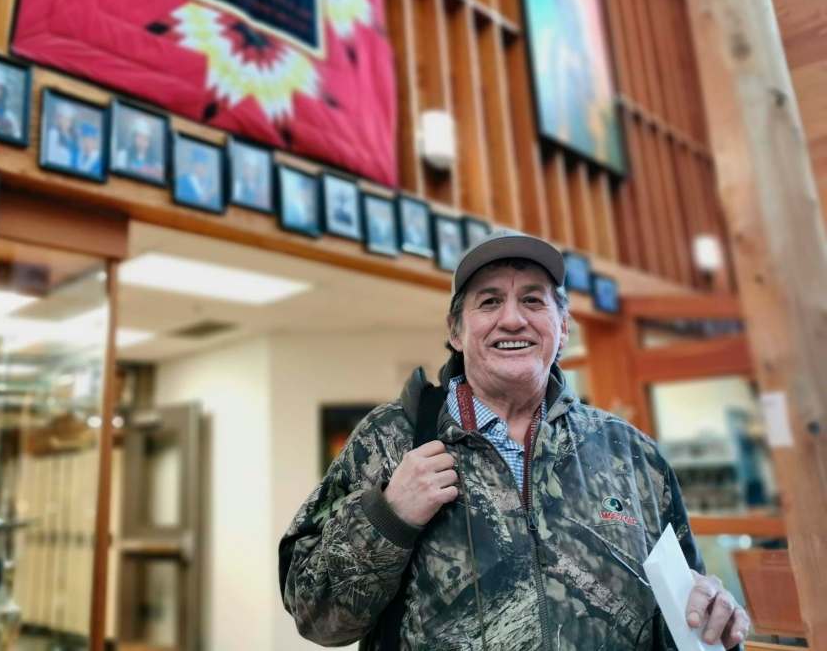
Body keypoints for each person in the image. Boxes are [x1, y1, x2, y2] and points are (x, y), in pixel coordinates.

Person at [279, 229, 751, 649]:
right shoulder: (389, 439)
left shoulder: (632, 454)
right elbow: (316, 618)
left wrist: (713, 614)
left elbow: (686, 608)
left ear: (562, 329)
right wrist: (389, 518)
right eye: (488, 302)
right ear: (457, 333)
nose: (512, 319)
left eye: (533, 300)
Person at [114, 115, 163, 180]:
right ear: (134, 138)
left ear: (149, 141)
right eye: (139, 137)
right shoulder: (122, 155)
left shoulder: (157, 164)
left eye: (145, 138)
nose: (142, 141)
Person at [176, 142, 218, 208]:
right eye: (200, 165)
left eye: (205, 165)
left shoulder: (208, 183)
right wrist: (199, 201)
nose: (203, 169)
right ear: (193, 165)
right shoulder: (182, 180)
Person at [44, 102, 78, 167]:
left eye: (69, 120)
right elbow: (51, 157)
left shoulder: (72, 138)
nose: (67, 123)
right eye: (65, 119)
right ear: (59, 119)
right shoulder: (53, 133)